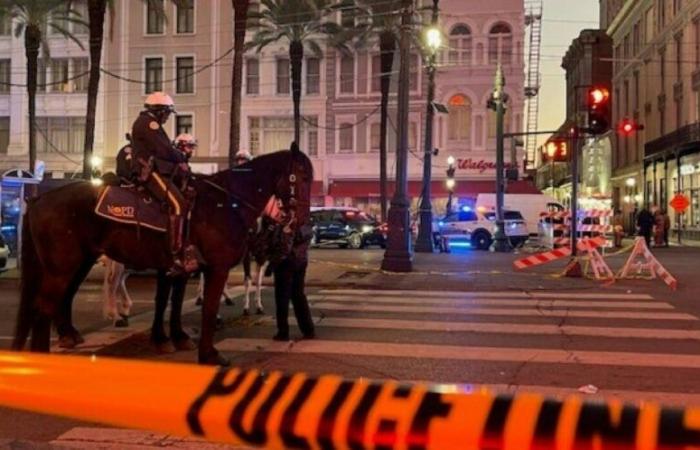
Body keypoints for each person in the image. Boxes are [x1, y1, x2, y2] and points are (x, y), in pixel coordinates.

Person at [130, 92, 196, 275]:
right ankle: (174, 255)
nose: (167, 117)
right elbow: (163, 149)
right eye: (166, 113)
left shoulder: (151, 123)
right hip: (148, 172)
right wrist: (181, 157)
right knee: (178, 205)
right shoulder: (148, 124)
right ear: (159, 111)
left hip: (156, 169)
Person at [268, 211, 315, 341]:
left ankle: (283, 332)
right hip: (301, 261)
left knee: (282, 299)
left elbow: (284, 247)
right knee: (298, 295)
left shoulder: (287, 223)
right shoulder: (305, 224)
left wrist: (271, 265)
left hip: (285, 264)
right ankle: (308, 329)